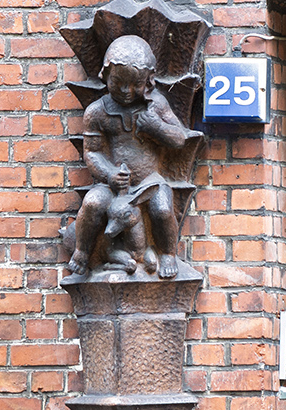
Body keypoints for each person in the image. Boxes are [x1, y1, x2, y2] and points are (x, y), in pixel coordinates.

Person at [67, 35, 192, 279]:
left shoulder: (156, 105)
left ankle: (168, 253)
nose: (126, 91)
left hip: (150, 182)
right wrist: (109, 174)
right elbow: (92, 152)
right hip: (113, 186)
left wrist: (156, 127)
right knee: (92, 203)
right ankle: (82, 251)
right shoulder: (97, 112)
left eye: (135, 84)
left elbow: (179, 140)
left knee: (163, 209)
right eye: (118, 82)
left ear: (149, 81)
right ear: (105, 75)